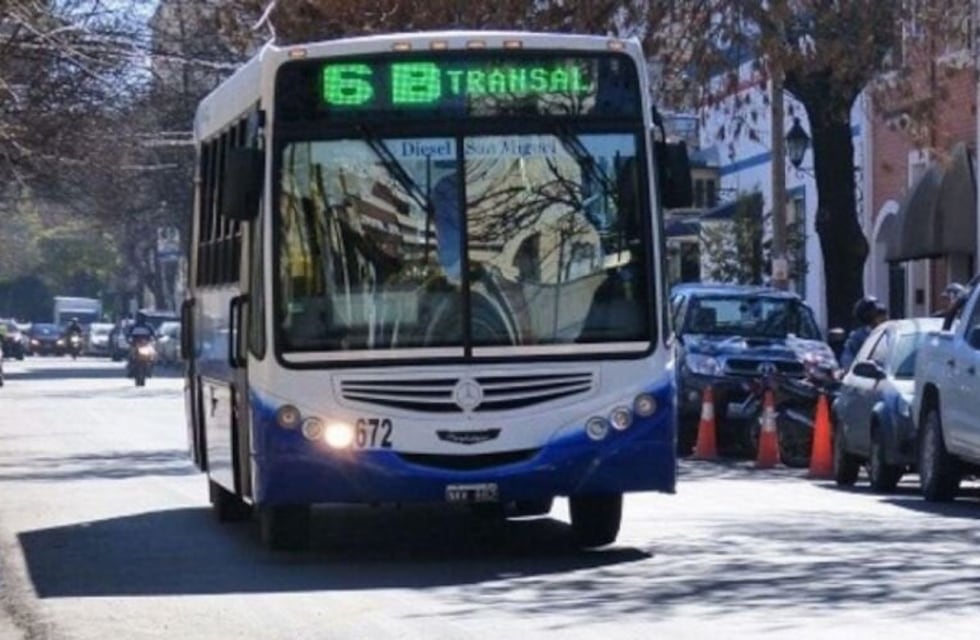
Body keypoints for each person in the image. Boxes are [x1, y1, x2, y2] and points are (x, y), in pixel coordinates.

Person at [840, 296, 887, 370]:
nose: (884, 318)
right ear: (867, 317)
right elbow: (847, 358)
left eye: (883, 314)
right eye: (878, 315)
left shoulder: (891, 334)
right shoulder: (858, 337)